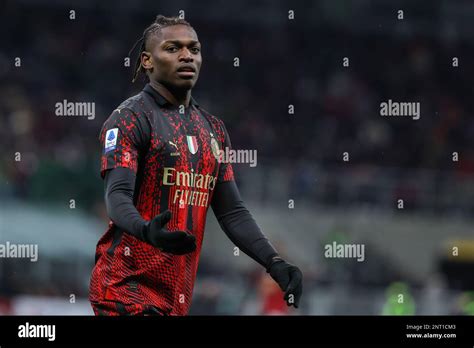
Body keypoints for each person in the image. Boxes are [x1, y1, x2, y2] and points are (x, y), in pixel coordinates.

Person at [89, 15, 303, 315]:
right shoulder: (130, 119)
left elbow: (232, 211)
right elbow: (117, 197)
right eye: (173, 48)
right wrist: (147, 230)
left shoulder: (213, 130)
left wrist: (274, 262)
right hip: (124, 290)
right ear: (148, 61)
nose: (187, 55)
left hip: (175, 299)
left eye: (194, 48)